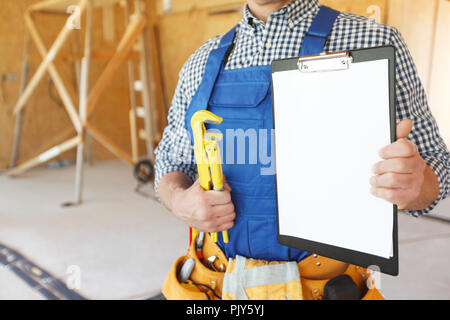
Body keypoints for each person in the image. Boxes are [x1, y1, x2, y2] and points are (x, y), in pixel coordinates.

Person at [154, 0, 450, 299]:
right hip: (214, 284)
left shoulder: (372, 41)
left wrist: (416, 182)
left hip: (326, 287)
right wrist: (180, 200)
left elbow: (437, 165)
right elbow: (170, 161)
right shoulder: (200, 62)